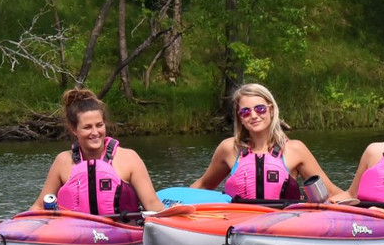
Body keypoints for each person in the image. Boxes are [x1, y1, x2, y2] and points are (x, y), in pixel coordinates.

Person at [190, 83, 352, 202]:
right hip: (237, 224)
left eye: (260, 109)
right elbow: (203, 186)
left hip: (283, 226)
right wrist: (177, 205)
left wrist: (357, 203)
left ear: (271, 109)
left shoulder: (295, 149)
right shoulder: (229, 148)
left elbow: (330, 192)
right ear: (240, 118)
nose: (253, 116)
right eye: (245, 112)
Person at [31, 88, 164, 214]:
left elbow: (152, 204)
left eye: (99, 125)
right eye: (87, 127)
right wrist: (16, 225)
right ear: (74, 129)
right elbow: (39, 206)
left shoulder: (129, 158)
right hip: (76, 234)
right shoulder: (63, 161)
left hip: (123, 233)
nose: (95, 132)